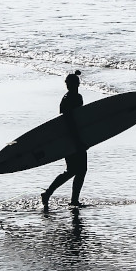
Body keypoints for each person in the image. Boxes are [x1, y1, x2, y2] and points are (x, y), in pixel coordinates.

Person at [42, 71, 87, 209]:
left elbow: (77, 120)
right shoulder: (71, 99)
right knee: (77, 170)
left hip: (69, 139)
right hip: (72, 139)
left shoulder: (71, 97)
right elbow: (70, 122)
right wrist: (79, 141)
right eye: (71, 84)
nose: (72, 86)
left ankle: (53, 194)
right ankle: (58, 196)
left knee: (75, 170)